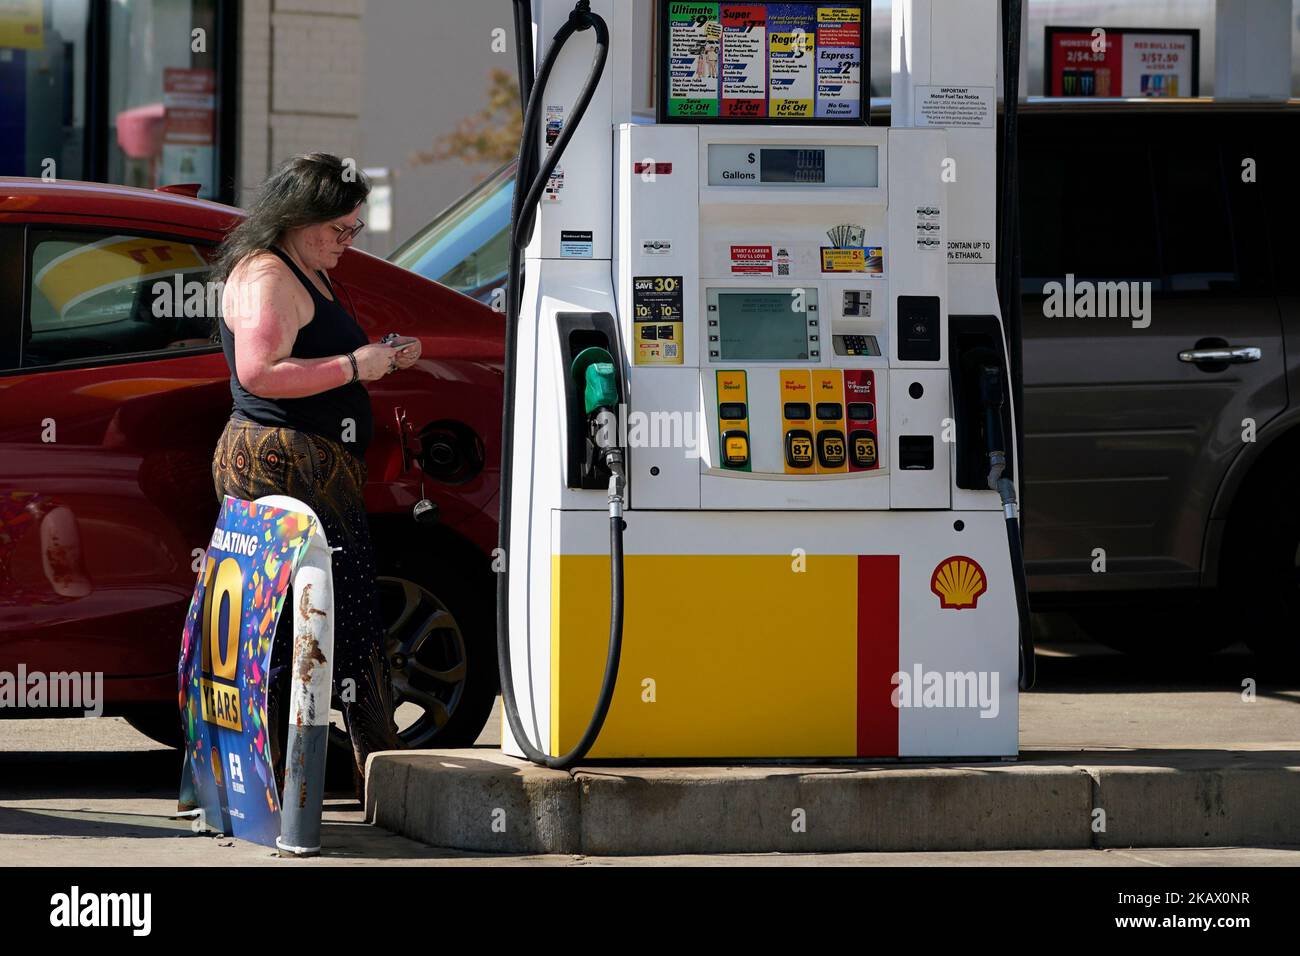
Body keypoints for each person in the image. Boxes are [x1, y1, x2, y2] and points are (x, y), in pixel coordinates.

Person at [208, 152, 418, 799]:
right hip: (288, 463)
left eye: (356, 230)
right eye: (339, 230)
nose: (347, 243)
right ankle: (316, 777)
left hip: (302, 459)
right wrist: (357, 366)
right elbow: (261, 371)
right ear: (299, 218)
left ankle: (315, 775)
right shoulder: (270, 274)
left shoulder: (297, 266)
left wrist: (378, 358)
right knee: (319, 617)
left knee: (302, 618)